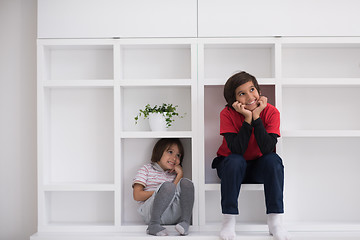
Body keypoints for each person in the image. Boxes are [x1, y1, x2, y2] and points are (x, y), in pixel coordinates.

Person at [212, 71, 290, 240]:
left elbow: (268, 148)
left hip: (257, 167)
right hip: (230, 166)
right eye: (242, 93)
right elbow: (236, 150)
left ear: (259, 91)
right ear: (234, 100)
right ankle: (228, 220)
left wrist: (257, 117)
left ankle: (275, 221)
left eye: (252, 89)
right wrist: (248, 118)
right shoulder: (227, 114)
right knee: (235, 160)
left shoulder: (271, 112)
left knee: (274, 160)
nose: (249, 97)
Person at [133, 138, 194, 236]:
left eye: (178, 155)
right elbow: (137, 195)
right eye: (170, 152)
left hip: (171, 214)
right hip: (151, 213)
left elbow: (174, 193)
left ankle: (185, 222)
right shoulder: (146, 169)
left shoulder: (174, 174)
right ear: (159, 151)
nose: (174, 158)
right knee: (168, 187)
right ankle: (153, 225)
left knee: (187, 183)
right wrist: (160, 192)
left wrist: (179, 175)